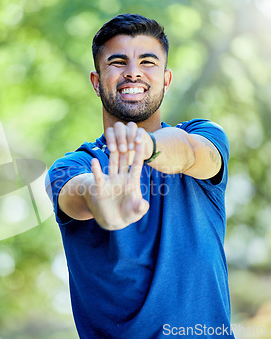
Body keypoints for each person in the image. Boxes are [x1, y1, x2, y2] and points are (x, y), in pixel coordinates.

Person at [45, 14, 234, 338]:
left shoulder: (203, 135)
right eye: (118, 62)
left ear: (166, 79)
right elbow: (80, 192)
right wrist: (101, 202)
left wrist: (144, 146)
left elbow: (190, 153)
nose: (133, 71)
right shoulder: (71, 167)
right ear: (96, 80)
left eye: (148, 61)